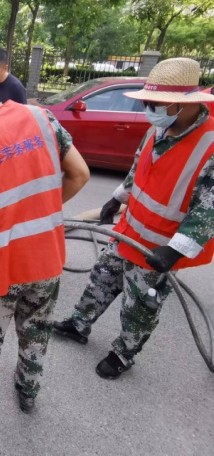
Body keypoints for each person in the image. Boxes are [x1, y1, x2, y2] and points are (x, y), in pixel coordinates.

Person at [53, 58, 214, 380]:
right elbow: (138, 170)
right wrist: (117, 199)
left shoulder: (209, 144)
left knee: (141, 304)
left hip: (160, 246)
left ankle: (124, 353)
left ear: (181, 106)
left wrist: (176, 251)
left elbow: (208, 208)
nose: (148, 109)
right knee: (103, 277)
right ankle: (79, 323)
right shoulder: (160, 129)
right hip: (129, 232)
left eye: (154, 104)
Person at [0, 67, 90, 413]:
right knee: (36, 329)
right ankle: (27, 394)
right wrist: (41, 212)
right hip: (45, 256)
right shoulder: (41, 118)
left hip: (1, 265)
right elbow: (81, 174)